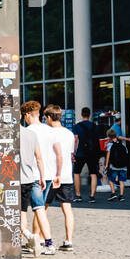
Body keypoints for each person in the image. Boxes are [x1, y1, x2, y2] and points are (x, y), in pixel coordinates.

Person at [18, 101, 56, 256]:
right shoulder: (49, 130)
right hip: (46, 175)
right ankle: (46, 242)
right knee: (40, 209)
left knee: (23, 211)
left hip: (31, 175)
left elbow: (36, 157)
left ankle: (25, 240)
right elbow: (56, 152)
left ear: (27, 115)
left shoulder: (28, 131)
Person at [44, 105, 76, 251]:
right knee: (67, 208)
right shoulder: (69, 133)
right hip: (66, 175)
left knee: (42, 208)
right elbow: (70, 153)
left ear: (49, 117)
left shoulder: (48, 133)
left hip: (50, 175)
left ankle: (39, 239)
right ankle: (68, 241)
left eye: (46, 118)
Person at [72, 106, 101, 203]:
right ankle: (92, 196)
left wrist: (73, 152)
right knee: (93, 174)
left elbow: (76, 139)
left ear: (81, 114)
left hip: (80, 153)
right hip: (92, 153)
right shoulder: (95, 126)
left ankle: (78, 195)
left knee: (76, 173)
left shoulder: (77, 126)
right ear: (90, 115)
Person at [105, 129, 129, 201]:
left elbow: (108, 155)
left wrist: (106, 165)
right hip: (123, 166)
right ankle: (121, 196)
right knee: (121, 181)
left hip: (114, 166)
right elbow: (126, 153)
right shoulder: (122, 144)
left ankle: (113, 193)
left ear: (109, 137)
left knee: (111, 179)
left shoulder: (110, 144)